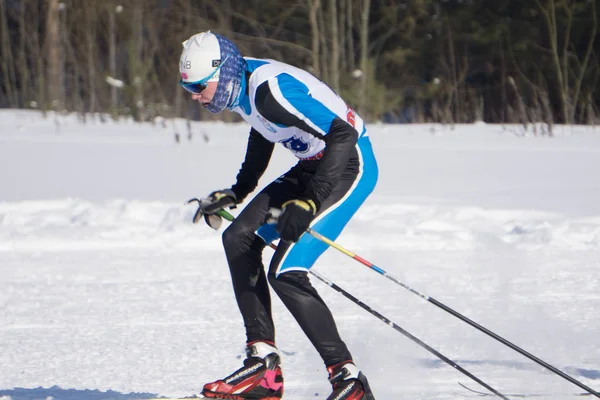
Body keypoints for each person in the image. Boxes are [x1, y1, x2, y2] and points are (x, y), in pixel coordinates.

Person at [179, 31, 378, 400]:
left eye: (199, 86)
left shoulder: (271, 91)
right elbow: (264, 131)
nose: (194, 95)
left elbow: (343, 134)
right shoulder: (241, 89)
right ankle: (264, 368)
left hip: (350, 165)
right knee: (237, 238)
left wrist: (310, 201)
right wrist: (239, 190)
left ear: (222, 74)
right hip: (311, 166)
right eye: (187, 87)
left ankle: (349, 381)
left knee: (286, 272)